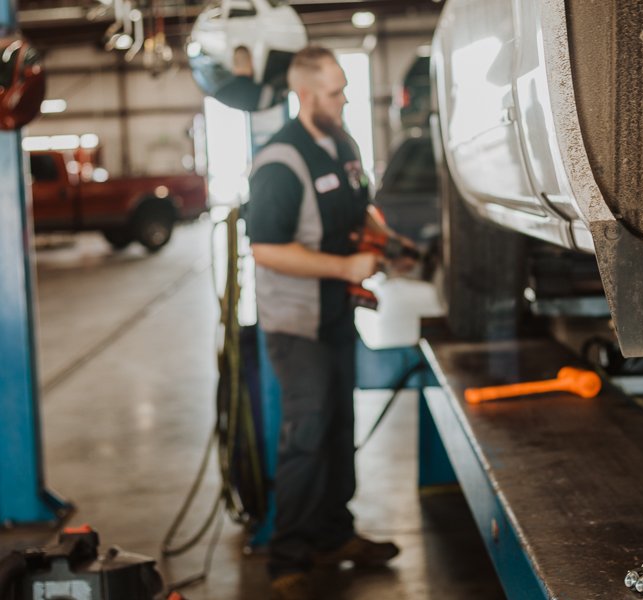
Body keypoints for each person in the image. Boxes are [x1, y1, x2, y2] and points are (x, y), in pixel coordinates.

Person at [245, 46, 403, 600]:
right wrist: (344, 267)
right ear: (306, 95)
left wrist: (388, 244)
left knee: (338, 427)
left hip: (337, 312)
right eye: (336, 92)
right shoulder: (279, 162)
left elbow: (362, 210)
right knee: (307, 435)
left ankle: (335, 536)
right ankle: (287, 558)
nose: (344, 100)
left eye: (344, 90)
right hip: (297, 324)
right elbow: (265, 249)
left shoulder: (343, 145)